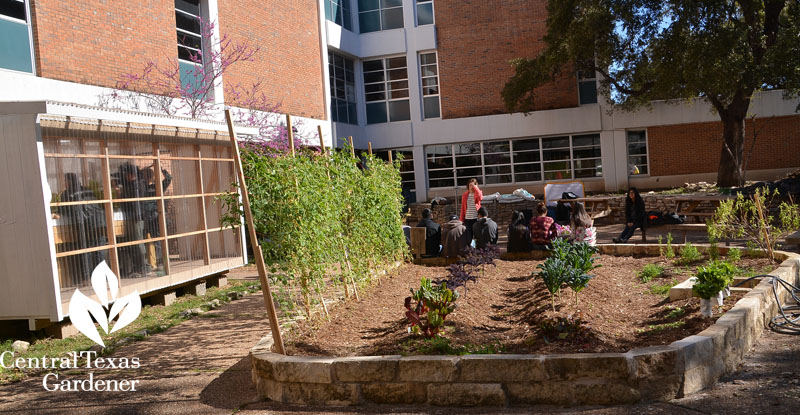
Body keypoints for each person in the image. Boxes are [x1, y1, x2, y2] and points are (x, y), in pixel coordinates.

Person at [118, 163, 148, 278]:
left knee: (138, 241)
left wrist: (121, 195)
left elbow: (133, 201)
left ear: (131, 175)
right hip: (131, 216)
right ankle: (137, 267)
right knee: (133, 242)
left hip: (137, 217)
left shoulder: (138, 185)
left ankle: (143, 266)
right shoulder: (132, 184)